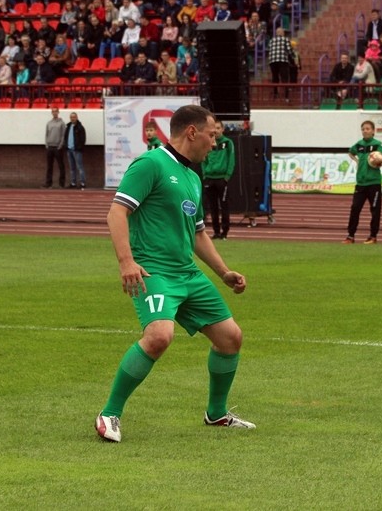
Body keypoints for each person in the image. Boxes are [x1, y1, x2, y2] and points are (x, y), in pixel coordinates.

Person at [95, 105, 254, 443]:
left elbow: (197, 234)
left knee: (231, 338)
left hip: (187, 273)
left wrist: (223, 272)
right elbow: (116, 213)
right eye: (212, 136)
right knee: (159, 337)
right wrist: (126, 262)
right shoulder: (151, 164)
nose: (215, 144)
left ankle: (216, 414)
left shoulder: (193, 177)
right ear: (192, 132)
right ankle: (109, 413)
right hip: (153, 271)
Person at [342, 120, 382, 245]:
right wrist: (356, 160)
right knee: (355, 209)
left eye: (368, 129)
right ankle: (350, 236)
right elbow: (350, 152)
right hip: (360, 183)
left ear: (373, 131)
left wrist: (380, 160)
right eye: (363, 129)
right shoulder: (358, 145)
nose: (365, 131)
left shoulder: (377, 144)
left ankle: (373, 236)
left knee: (375, 210)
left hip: (374, 183)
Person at [202, 120, 236, 240]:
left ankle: (225, 232)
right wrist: (205, 173)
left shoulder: (228, 143)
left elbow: (231, 160)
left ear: (222, 129)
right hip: (210, 178)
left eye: (218, 128)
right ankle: (216, 232)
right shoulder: (209, 142)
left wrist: (227, 176)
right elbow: (204, 158)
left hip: (222, 179)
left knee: (224, 206)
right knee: (213, 207)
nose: (215, 130)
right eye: (214, 128)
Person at [43, 108, 67, 188]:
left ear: (58, 112)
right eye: (53, 111)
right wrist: (46, 144)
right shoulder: (49, 123)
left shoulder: (62, 123)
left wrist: (60, 145)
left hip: (58, 147)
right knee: (49, 166)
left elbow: (63, 135)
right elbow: (46, 134)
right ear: (51, 113)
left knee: (61, 165)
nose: (54, 113)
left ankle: (61, 183)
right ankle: (48, 183)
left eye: (56, 111)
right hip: (50, 147)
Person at [64, 112, 87, 189]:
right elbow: (66, 137)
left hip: (77, 150)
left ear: (76, 117)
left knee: (79, 167)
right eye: (71, 117)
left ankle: (82, 182)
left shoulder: (80, 127)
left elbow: (83, 139)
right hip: (69, 149)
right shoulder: (68, 126)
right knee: (72, 167)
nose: (72, 119)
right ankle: (73, 182)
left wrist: (79, 147)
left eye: (74, 117)